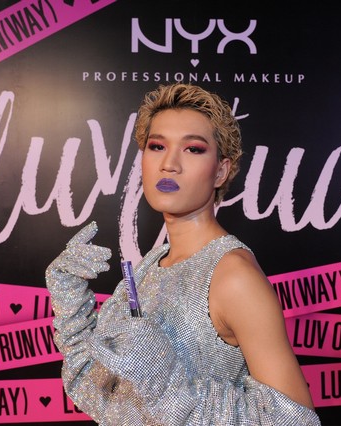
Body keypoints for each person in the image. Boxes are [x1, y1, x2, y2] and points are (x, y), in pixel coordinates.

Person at [46, 83, 321, 425]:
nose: (169, 164)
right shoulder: (153, 264)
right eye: (157, 146)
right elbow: (109, 400)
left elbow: (295, 421)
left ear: (220, 171)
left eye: (193, 149)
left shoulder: (232, 276)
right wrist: (70, 302)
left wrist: (166, 381)